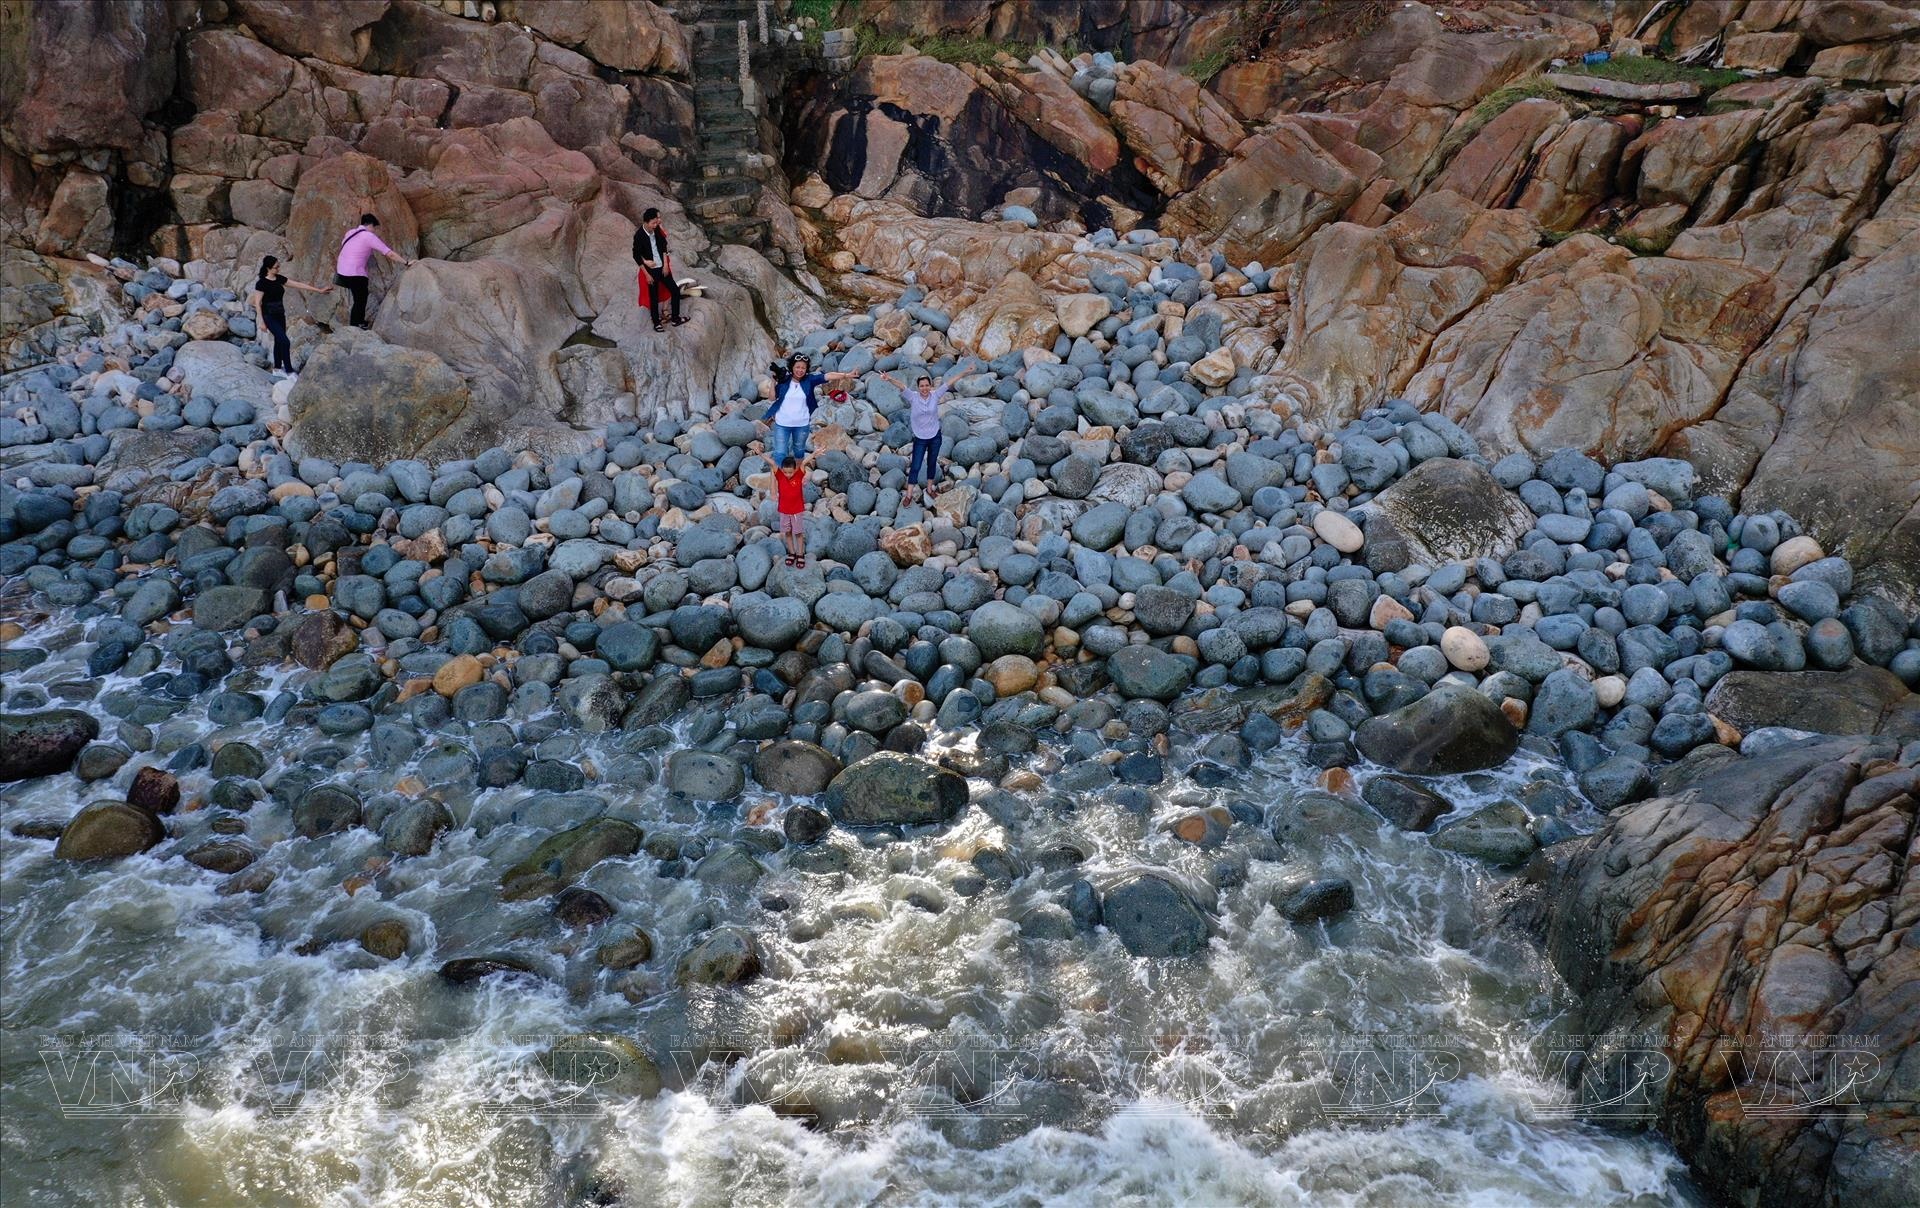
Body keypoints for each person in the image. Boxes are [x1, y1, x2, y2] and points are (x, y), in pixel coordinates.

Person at [880, 362, 968, 505]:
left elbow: (949, 382)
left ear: (930, 386)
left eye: (927, 385)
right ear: (918, 387)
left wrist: (965, 372)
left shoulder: (935, 395)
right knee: (916, 465)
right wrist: (889, 378)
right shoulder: (913, 396)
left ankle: (929, 488)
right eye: (922, 386)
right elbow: (902, 386)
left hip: (935, 436)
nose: (924, 388)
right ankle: (908, 495)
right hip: (920, 438)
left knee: (932, 463)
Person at [765, 352, 856, 465]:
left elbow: (828, 375)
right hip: (782, 423)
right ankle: (778, 478)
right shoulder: (784, 381)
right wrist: (774, 381)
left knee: (799, 452)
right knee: (780, 453)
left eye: (803, 367)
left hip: (801, 424)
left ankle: (797, 476)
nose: (800, 370)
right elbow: (772, 398)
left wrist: (846, 375)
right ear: (792, 367)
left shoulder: (809, 380)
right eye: (797, 367)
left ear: (806, 369)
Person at [248, 255, 326, 378]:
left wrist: (319, 290)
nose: (278, 269)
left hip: (280, 314)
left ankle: (277, 368)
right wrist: (261, 322)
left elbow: (298, 285)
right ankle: (289, 371)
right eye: (276, 267)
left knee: (279, 341)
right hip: (269, 316)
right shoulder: (261, 283)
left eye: (279, 266)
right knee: (285, 341)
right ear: (268, 268)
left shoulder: (279, 279)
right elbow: (258, 304)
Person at [335, 213, 409, 328]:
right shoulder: (369, 236)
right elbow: (388, 253)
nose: (374, 231)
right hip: (355, 273)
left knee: (358, 297)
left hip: (342, 271)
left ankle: (358, 322)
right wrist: (406, 262)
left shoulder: (350, 233)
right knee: (360, 299)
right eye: (374, 227)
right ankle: (356, 325)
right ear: (370, 225)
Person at [633, 208, 686, 332]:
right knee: (654, 297)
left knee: (675, 291)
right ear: (646, 222)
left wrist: (666, 264)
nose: (656, 225)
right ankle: (656, 323)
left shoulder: (656, 230)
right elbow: (636, 255)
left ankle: (675, 318)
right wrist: (646, 269)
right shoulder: (639, 235)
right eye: (653, 223)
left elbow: (663, 246)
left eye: (656, 223)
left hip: (662, 267)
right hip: (651, 270)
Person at [772, 453, 811, 567]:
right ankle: (792, 553)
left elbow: (804, 462)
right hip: (784, 511)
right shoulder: (780, 476)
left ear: (795, 470)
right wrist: (759, 454)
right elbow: (772, 463)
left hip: (796, 511)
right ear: (782, 470)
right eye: (785, 472)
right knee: (788, 533)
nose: (788, 474)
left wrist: (814, 454)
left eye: (790, 472)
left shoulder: (799, 475)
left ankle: (800, 554)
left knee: (798, 533)